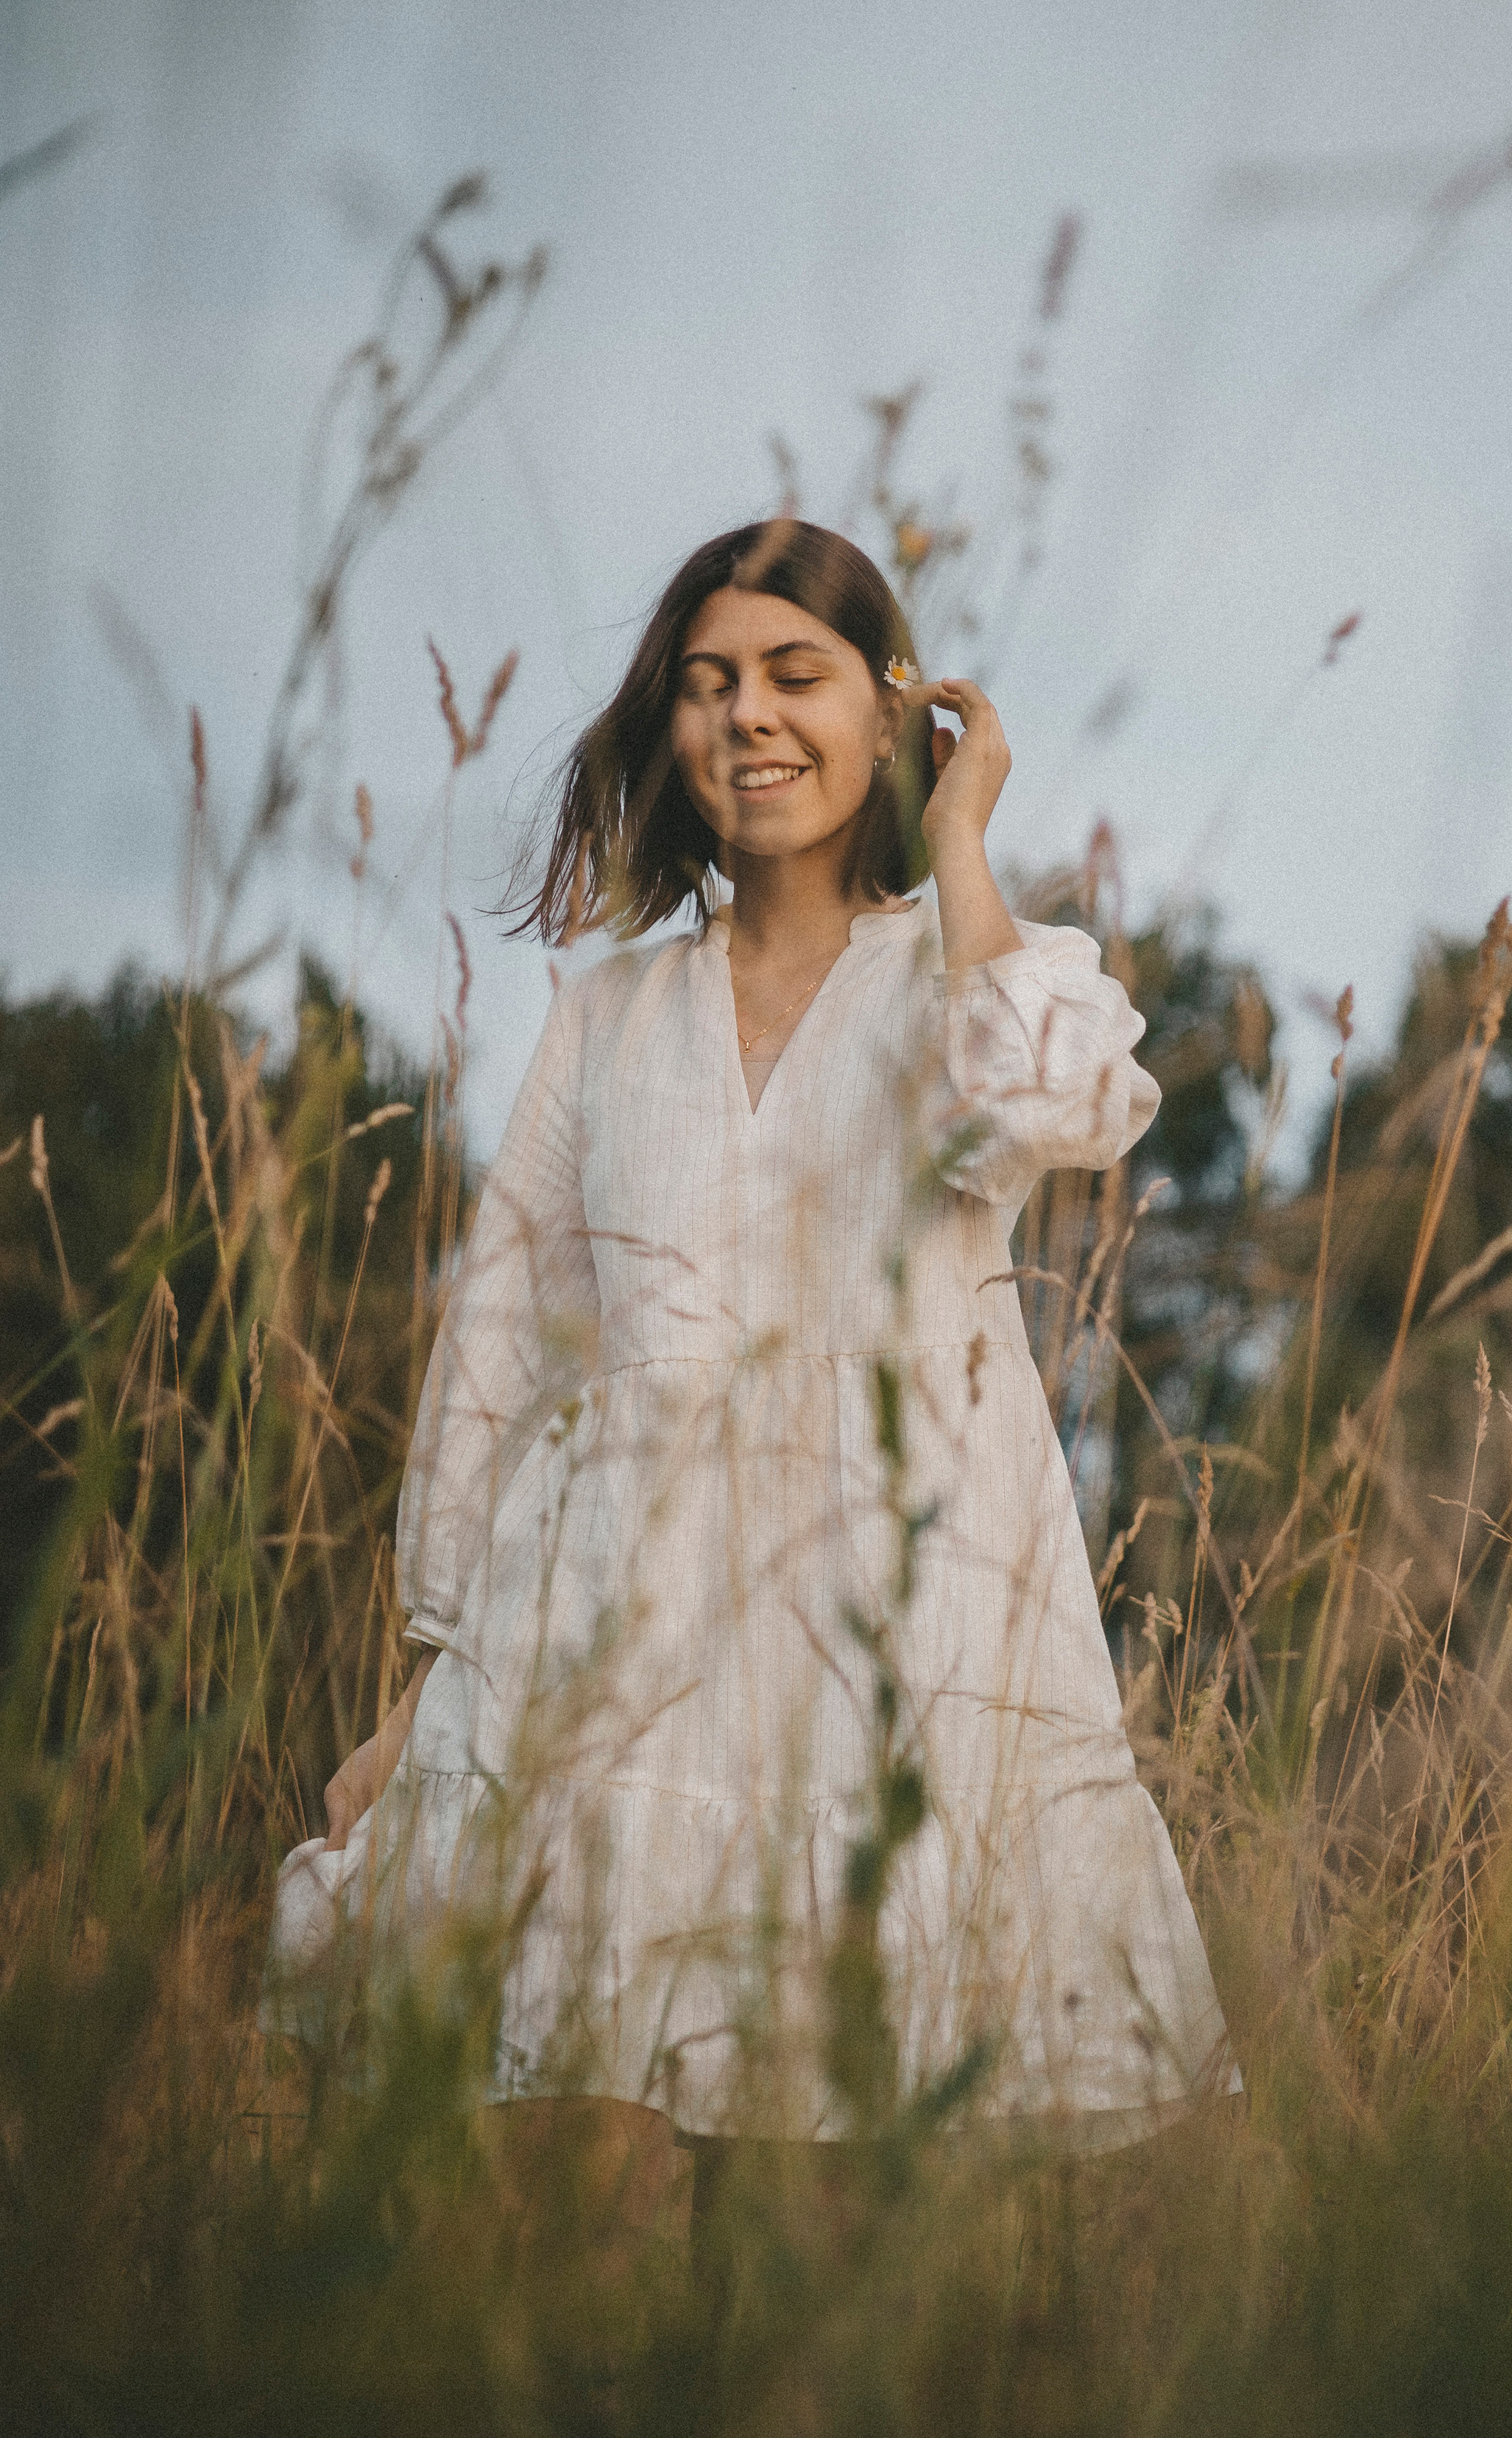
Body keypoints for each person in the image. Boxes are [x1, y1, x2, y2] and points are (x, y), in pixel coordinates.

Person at [270, 518, 1237, 2185]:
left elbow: (1060, 1104)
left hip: (894, 1617)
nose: (747, 718)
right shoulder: (607, 1014)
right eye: (708, 684)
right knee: (611, 2181)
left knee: (853, 2183)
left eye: (796, 676)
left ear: (891, 711)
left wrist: (962, 836)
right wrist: (423, 1685)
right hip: (625, 1632)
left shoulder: (969, 976)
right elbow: (505, 1347)